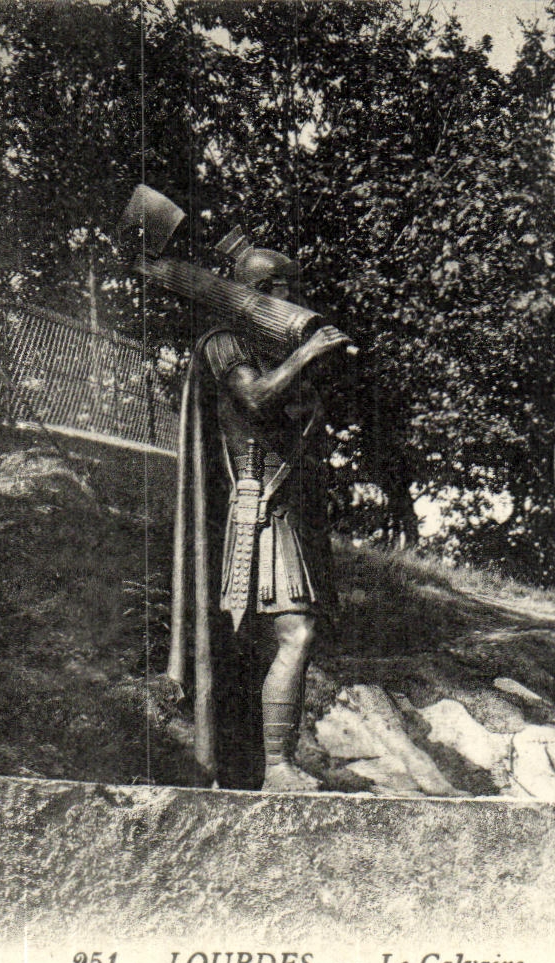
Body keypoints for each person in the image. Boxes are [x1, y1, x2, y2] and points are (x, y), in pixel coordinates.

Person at [168, 243, 350, 792]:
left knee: (275, 640)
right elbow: (257, 400)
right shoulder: (226, 344)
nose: (287, 297)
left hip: (289, 508)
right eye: (275, 287)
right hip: (260, 510)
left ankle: (266, 762)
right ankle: (276, 767)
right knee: (295, 633)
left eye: (290, 286)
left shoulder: (267, 347)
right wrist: (305, 356)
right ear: (249, 292)